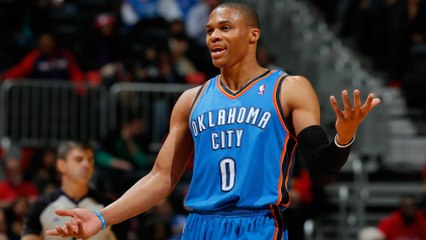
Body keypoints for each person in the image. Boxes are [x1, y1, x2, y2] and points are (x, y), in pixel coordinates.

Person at [46, 2, 381, 239]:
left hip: (258, 225)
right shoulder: (191, 100)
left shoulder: (288, 88)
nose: (213, 37)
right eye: (209, 31)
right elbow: (161, 179)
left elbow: (322, 172)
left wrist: (343, 136)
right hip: (200, 226)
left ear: (253, 35)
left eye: (225, 28)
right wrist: (102, 217)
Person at [21, 141, 116, 240]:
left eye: (90, 160)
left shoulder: (108, 205)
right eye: (79, 160)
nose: (86, 165)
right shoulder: (40, 206)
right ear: (61, 165)